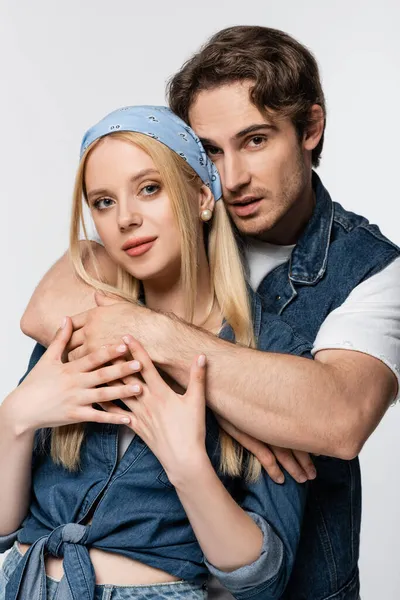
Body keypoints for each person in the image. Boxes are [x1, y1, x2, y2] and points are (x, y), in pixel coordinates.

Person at [19, 26, 400, 599]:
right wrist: (254, 407)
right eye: (210, 151)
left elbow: (338, 419)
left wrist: (146, 330)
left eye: (255, 140)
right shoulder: (162, 230)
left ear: (310, 130)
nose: (232, 177)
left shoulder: (372, 269)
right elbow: (47, 306)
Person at [0, 106, 311, 600]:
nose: (126, 218)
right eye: (103, 202)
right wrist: (14, 421)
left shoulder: (270, 352)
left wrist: (186, 462)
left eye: (149, 188)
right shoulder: (80, 324)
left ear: (203, 196)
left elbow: (264, 577)